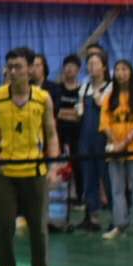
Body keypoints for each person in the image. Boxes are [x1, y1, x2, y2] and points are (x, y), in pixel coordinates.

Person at [0, 47, 58, 266]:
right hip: (4, 172)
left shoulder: (43, 98)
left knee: (38, 226)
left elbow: (51, 134)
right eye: (10, 67)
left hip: (34, 171)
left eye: (18, 67)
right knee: (5, 225)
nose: (13, 71)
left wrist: (53, 167)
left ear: (30, 69)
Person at [100, 59, 133, 241]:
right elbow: (105, 124)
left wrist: (125, 143)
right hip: (114, 150)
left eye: (124, 69)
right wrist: (115, 143)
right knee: (117, 189)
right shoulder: (108, 99)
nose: (120, 73)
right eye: (117, 70)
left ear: (130, 73)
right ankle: (119, 225)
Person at [78, 51, 112, 231]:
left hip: (104, 137)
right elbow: (79, 112)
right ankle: (93, 217)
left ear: (104, 67)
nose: (91, 67)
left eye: (95, 63)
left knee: (108, 177)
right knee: (88, 177)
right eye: (89, 63)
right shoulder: (84, 88)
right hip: (86, 137)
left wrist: (101, 103)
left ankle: (117, 217)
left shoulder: (111, 87)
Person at [51, 54, 84, 205]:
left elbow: (80, 115)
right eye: (67, 66)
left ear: (78, 70)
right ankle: (59, 198)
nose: (69, 69)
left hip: (77, 135)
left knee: (78, 166)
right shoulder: (57, 89)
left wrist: (64, 113)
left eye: (73, 66)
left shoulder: (82, 90)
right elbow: (56, 112)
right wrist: (70, 113)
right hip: (59, 134)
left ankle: (79, 197)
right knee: (59, 166)